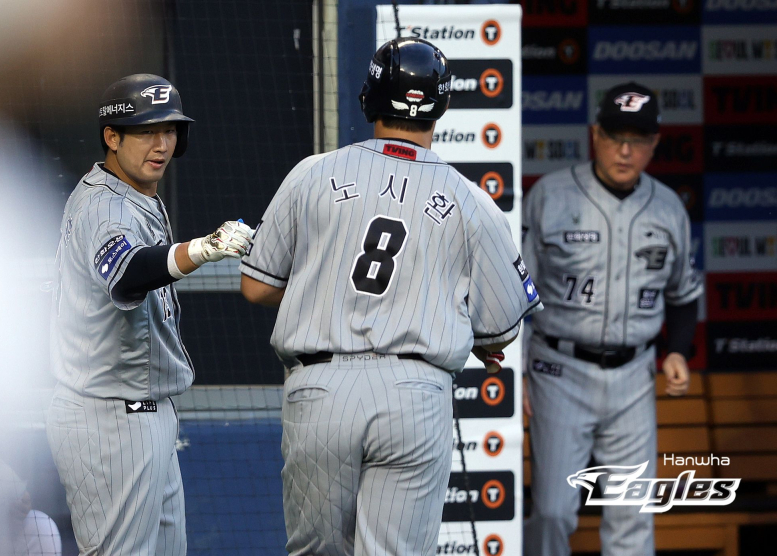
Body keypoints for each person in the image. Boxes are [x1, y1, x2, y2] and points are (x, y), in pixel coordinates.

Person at [240, 38, 542, 556]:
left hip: (321, 388)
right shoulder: (472, 201)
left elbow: (257, 285)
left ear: (369, 98)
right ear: (442, 105)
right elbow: (500, 333)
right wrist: (452, 318)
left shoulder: (312, 173)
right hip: (414, 393)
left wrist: (325, 287)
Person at [46, 74, 252, 556]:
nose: (161, 144)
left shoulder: (133, 194)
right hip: (109, 419)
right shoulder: (105, 208)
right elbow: (128, 272)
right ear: (112, 137)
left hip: (138, 412)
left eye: (169, 130)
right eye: (145, 132)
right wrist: (202, 249)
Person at [522, 82, 703, 556]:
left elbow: (684, 294)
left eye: (638, 140)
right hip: (559, 371)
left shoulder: (668, 208)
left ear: (654, 143)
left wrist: (677, 351)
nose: (625, 151)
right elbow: (516, 295)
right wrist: (517, 368)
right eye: (616, 137)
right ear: (595, 134)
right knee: (553, 511)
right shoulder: (551, 196)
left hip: (633, 378)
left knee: (632, 517)